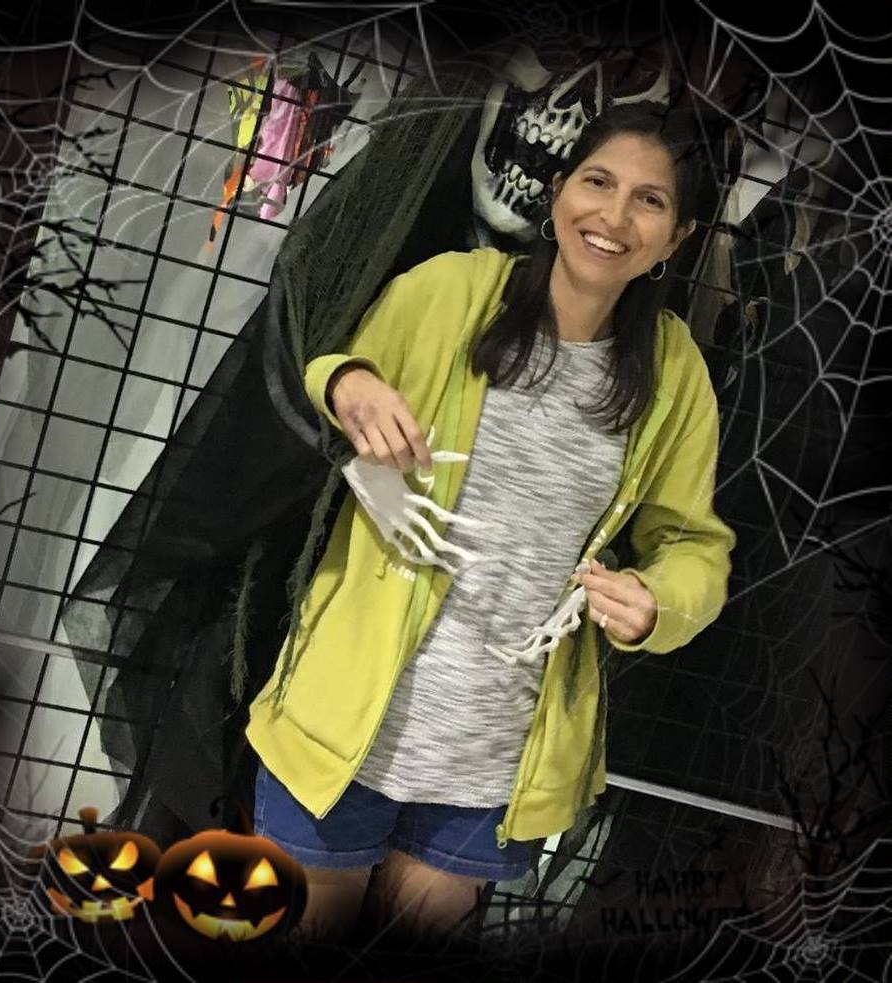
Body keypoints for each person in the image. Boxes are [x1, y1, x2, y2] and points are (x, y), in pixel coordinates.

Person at [243, 99, 736, 945]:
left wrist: (657, 601)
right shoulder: (448, 290)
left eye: (649, 200)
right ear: (556, 189)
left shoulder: (673, 372)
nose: (613, 216)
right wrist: (346, 383)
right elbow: (319, 367)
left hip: (496, 756)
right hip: (340, 715)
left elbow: (692, 544)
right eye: (597, 182)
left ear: (677, 238)